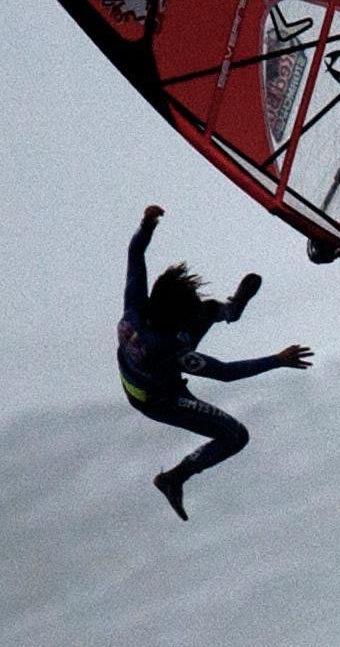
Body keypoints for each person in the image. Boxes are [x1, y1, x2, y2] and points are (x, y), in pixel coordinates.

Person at [118, 203, 312, 519]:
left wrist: (147, 225)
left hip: (149, 373)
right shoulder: (170, 350)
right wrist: (277, 360)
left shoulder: (135, 307)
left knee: (206, 310)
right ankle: (174, 477)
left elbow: (135, 255)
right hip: (160, 400)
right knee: (235, 436)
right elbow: (224, 373)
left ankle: (230, 311)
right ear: (174, 319)